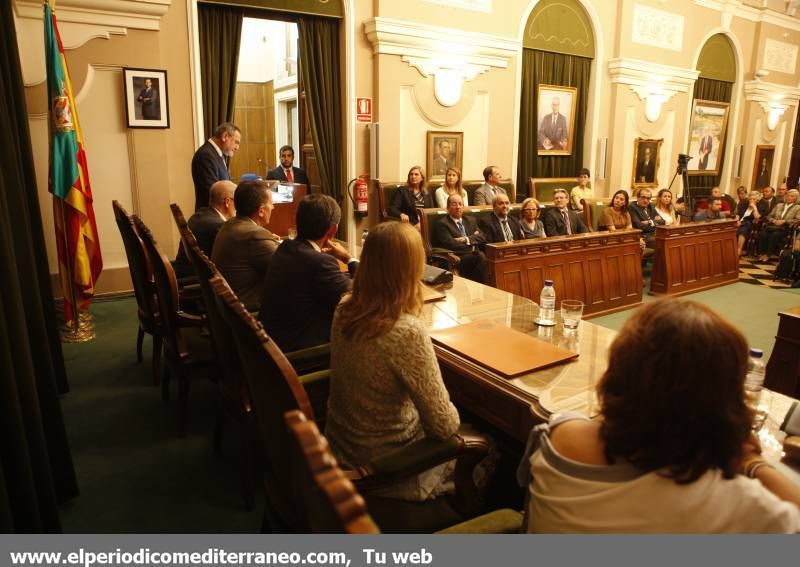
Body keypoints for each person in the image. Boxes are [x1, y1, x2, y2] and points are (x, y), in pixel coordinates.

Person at [519, 299, 800, 533]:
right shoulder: (738, 504)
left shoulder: (562, 435)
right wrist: (752, 462)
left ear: (616, 377)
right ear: (724, 403)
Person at [325, 221, 460, 502]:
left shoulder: (345, 305)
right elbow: (445, 427)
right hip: (388, 466)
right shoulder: (406, 330)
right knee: (489, 447)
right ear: (411, 271)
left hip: (342, 446)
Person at [259, 194, 357, 352]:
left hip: (274, 344)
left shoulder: (285, 247)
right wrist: (348, 258)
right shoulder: (319, 263)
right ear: (332, 230)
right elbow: (360, 292)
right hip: (301, 353)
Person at [211, 180, 279, 311]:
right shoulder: (254, 235)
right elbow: (290, 266)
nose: (273, 208)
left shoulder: (230, 224)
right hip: (247, 312)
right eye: (271, 204)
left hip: (228, 308)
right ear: (261, 211)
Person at [173, 180, 236, 279]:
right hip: (193, 283)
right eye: (236, 201)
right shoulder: (218, 226)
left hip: (183, 275)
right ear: (227, 202)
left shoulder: (199, 215)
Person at [431, 193, 487, 283]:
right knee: (480, 257)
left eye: (460, 204)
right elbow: (451, 244)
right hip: (458, 257)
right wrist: (473, 241)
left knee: (483, 257)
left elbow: (483, 237)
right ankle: (483, 288)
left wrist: (466, 239)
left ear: (463, 207)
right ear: (448, 207)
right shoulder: (442, 224)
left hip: (474, 255)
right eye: (454, 204)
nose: (458, 207)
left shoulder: (471, 220)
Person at [191, 122, 241, 211]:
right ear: (225, 136)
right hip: (210, 216)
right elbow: (213, 192)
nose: (237, 147)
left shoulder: (217, 154)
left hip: (220, 214)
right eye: (236, 142)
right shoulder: (206, 155)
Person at [757, 189, 800, 262]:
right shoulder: (779, 205)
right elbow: (769, 216)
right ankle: (761, 253)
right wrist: (775, 221)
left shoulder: (798, 207)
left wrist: (785, 221)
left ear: (796, 198)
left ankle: (768, 255)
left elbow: (798, 219)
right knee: (763, 233)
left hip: (786, 228)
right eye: (788, 196)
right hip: (773, 226)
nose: (789, 197)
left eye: (792, 196)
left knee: (775, 235)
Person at [735, 190, 766, 257]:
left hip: (752, 223)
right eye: (750, 199)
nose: (751, 200)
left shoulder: (761, 205)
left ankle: (739, 250)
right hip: (740, 222)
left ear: (757, 200)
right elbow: (738, 214)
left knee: (743, 229)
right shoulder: (744, 203)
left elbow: (757, 218)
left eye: (754, 199)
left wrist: (754, 207)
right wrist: (737, 220)